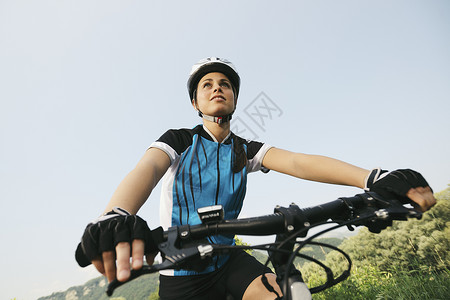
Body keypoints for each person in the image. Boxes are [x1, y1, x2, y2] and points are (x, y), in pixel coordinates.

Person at [75, 57, 436, 300]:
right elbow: (146, 170)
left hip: (231, 257)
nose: (218, 88)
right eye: (207, 85)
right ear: (195, 104)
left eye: (226, 84)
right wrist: (116, 214)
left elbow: (296, 161)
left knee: (284, 293)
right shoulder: (179, 141)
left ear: (234, 98)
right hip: (182, 271)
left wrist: (371, 178)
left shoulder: (243, 149)